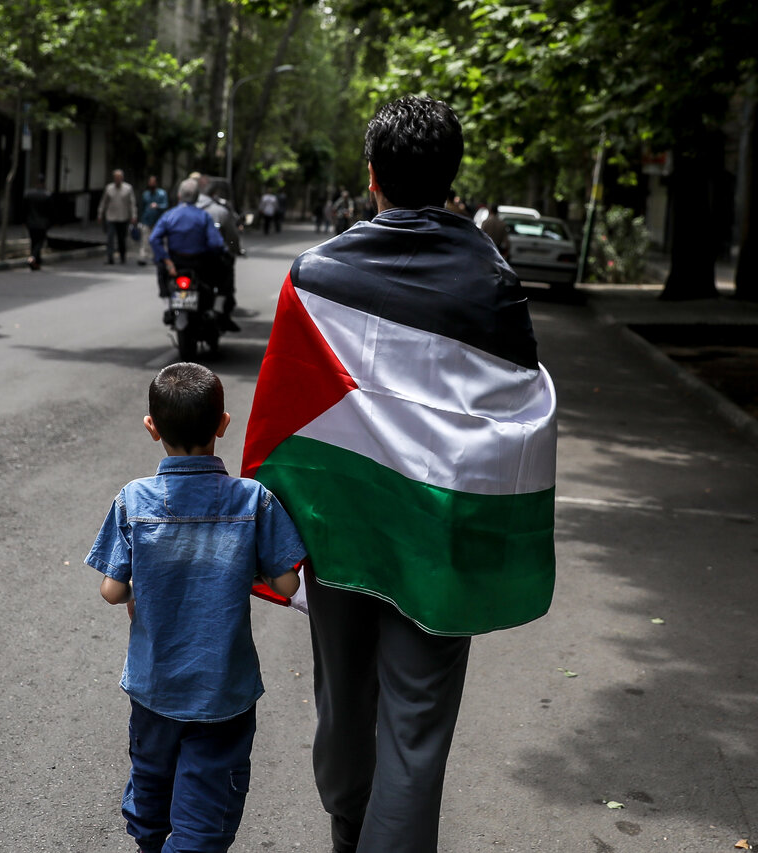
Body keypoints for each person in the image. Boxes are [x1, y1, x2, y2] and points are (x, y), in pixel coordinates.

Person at [241, 96, 556, 853]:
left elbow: (284, 415)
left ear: (372, 174)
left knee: (344, 707)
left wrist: (277, 535)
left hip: (342, 533)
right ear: (453, 180)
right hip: (440, 545)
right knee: (414, 730)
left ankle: (348, 834)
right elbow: (516, 418)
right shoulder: (494, 283)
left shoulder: (316, 276)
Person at [85, 362, 306, 853]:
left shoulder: (133, 499)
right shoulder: (254, 500)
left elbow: (112, 591)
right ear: (223, 424)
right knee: (204, 817)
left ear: (152, 428)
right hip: (222, 693)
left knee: (151, 791)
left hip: (153, 688)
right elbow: (288, 580)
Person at [148, 179, 227, 306]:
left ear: (179, 196)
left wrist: (168, 262)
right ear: (197, 197)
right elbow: (216, 243)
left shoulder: (169, 215)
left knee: (159, 263)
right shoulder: (204, 216)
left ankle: (166, 301)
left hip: (175, 263)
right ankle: (218, 308)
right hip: (199, 264)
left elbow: (153, 239)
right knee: (224, 268)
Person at [194, 176, 243, 332]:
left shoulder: (178, 211)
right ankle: (219, 310)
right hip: (210, 260)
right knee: (226, 274)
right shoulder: (219, 210)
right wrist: (232, 250)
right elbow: (230, 238)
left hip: (183, 260)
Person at [97, 169, 137, 264]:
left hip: (123, 217)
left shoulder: (128, 188)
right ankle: (110, 257)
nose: (118, 179)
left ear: (122, 178)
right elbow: (103, 202)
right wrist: (100, 214)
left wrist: (134, 216)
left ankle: (122, 256)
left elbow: (132, 203)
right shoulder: (109, 188)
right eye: (116, 177)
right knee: (110, 237)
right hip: (111, 217)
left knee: (121, 239)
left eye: (119, 177)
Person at [137, 175, 169, 266]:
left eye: (153, 182)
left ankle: (157, 257)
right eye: (150, 182)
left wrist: (157, 206)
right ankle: (143, 257)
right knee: (145, 240)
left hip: (158, 222)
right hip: (146, 220)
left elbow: (165, 205)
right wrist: (139, 220)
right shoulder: (145, 194)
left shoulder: (162, 193)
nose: (151, 184)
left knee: (157, 240)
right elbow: (141, 207)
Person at [23, 174, 52, 271]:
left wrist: (24, 221)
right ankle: (33, 258)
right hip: (42, 224)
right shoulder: (47, 195)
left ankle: (36, 264)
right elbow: (50, 211)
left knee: (34, 242)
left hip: (31, 223)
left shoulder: (28, 194)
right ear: (44, 183)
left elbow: (24, 209)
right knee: (39, 242)